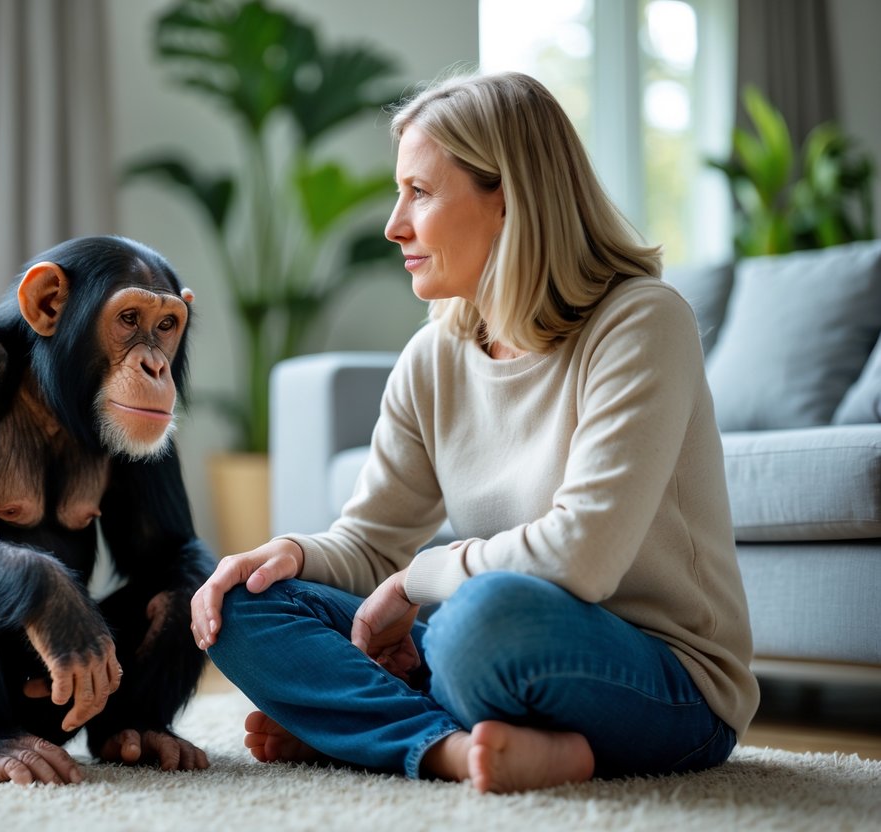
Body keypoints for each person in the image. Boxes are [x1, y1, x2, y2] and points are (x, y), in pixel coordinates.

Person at [189, 70, 759, 794]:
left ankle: (357, 727)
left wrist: (416, 580)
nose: (394, 224)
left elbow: (581, 558)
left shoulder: (641, 323)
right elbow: (369, 543)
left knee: (475, 623)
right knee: (241, 603)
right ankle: (449, 749)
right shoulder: (434, 354)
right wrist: (288, 553)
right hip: (484, 652)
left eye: (419, 194)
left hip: (665, 683)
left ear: (508, 198)